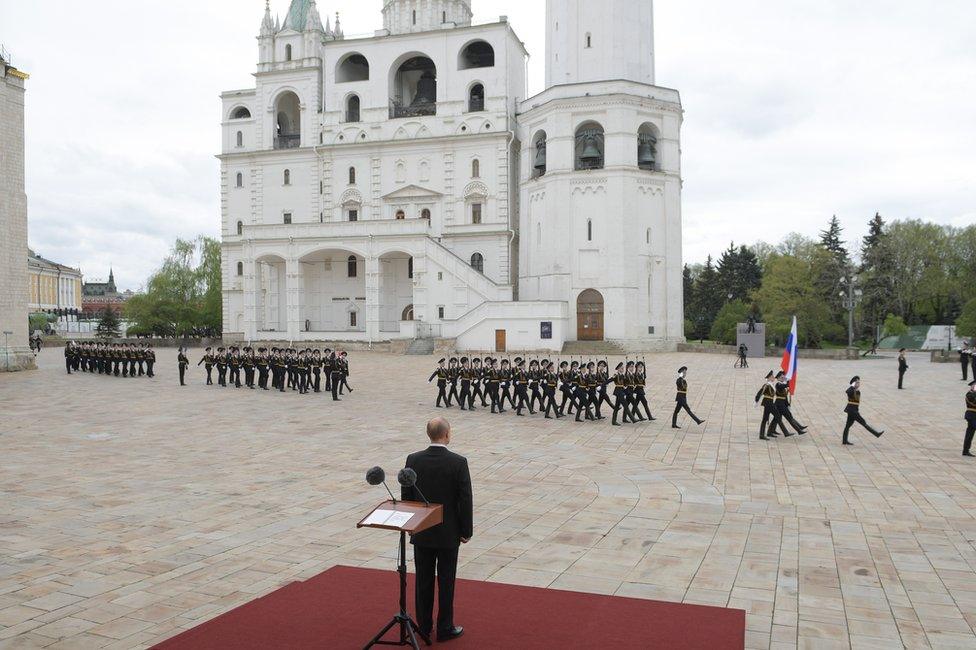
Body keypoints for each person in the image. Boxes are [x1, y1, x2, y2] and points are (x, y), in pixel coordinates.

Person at [401, 418, 472, 643]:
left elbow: (407, 494)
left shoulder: (413, 459)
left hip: (421, 529)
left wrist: (410, 524)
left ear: (428, 434)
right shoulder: (458, 462)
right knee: (446, 580)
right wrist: (466, 530)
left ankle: (423, 626)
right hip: (448, 532)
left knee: (423, 580)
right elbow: (465, 499)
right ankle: (445, 627)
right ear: (447, 434)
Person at [842, 376, 884, 445]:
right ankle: (876, 434)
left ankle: (844, 441)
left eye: (859, 382)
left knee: (848, 425)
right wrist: (852, 386)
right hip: (853, 411)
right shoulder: (851, 390)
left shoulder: (857, 391)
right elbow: (847, 391)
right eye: (857, 382)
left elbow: (856, 401)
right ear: (854, 383)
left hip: (853, 411)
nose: (859, 384)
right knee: (863, 422)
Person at [754, 371, 778, 441]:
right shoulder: (767, 385)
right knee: (777, 416)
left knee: (765, 418)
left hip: (769, 403)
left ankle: (764, 434)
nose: (774, 378)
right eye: (772, 377)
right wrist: (756, 400)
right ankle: (769, 432)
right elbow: (760, 392)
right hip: (768, 403)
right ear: (770, 378)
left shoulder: (771, 385)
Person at [964, 380, 976, 457]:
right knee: (970, 433)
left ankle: (965, 450)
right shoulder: (969, 394)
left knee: (970, 433)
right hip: (971, 415)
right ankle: (965, 450)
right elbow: (972, 401)